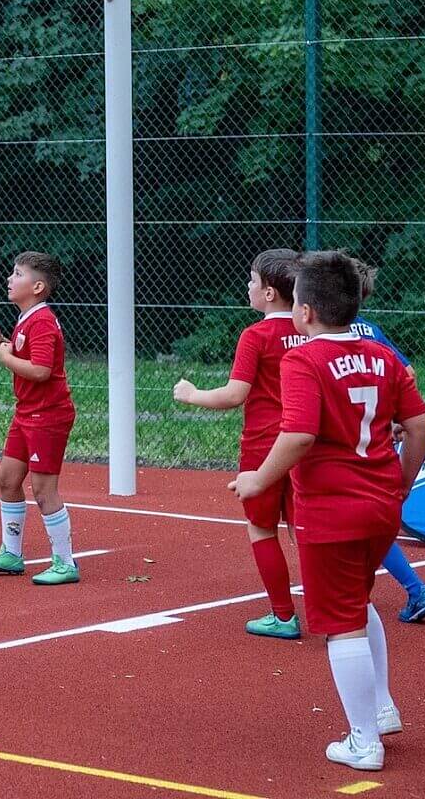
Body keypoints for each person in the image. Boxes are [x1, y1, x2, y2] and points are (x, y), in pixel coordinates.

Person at [234, 251, 425, 773]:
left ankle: (363, 741)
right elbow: (421, 427)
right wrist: (403, 482)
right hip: (380, 503)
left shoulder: (304, 359)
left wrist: (259, 477)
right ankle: (382, 709)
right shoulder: (383, 356)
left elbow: (298, 434)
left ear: (304, 311)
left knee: (341, 622)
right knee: (358, 603)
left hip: (331, 508)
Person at [172, 248, 305, 639]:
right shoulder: (311, 331)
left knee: (261, 528)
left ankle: (283, 616)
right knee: (306, 530)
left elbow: (234, 395)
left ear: (268, 294)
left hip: (262, 446)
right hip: (304, 444)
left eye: (252, 280)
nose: (247, 286)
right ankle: (336, 608)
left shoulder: (256, 335)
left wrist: (192, 394)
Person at [0, 251, 79, 585]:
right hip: (27, 413)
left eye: (17, 274)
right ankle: (11, 553)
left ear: (37, 286)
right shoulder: (28, 318)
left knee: (44, 490)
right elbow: (24, 355)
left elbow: (42, 371)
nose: (9, 279)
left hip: (47, 415)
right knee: (7, 478)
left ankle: (65, 562)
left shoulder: (43, 320)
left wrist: (4, 357)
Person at [349, 259, 425, 624]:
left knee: (359, 522)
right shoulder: (372, 330)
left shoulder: (324, 336)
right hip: (378, 438)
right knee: (371, 520)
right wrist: (395, 415)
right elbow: (408, 373)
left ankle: (414, 589)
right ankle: (406, 591)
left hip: (349, 445)